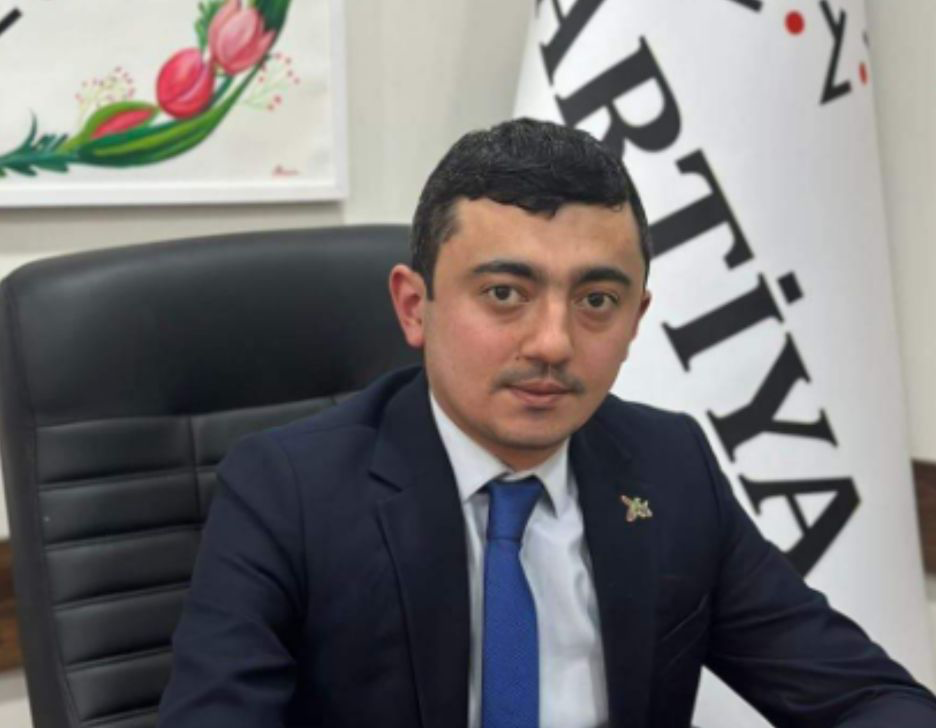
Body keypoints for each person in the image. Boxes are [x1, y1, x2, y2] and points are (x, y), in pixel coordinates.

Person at [157, 118, 936, 727]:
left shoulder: (669, 466)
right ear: (415, 306)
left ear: (636, 319)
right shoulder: (287, 490)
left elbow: (867, 699)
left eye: (597, 301)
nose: (554, 343)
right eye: (505, 294)